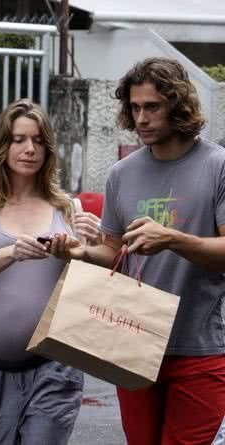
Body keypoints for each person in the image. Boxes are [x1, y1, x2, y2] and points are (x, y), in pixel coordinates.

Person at [50, 57, 225, 444]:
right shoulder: (122, 174)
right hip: (133, 340)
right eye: (134, 107)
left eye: (152, 107)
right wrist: (79, 253)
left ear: (177, 106)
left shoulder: (217, 165)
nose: (141, 118)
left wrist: (173, 239)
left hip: (200, 348)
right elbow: (112, 251)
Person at [0, 99, 100, 445]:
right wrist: (13, 251)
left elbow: (91, 274)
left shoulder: (69, 206)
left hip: (54, 366)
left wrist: (88, 246)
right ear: (2, 145)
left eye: (38, 140)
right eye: (18, 139)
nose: (29, 149)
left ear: (48, 148)